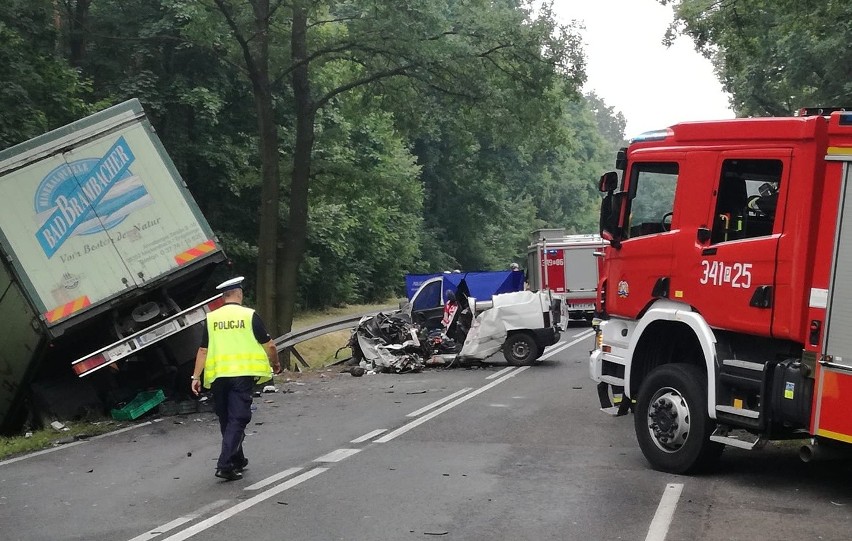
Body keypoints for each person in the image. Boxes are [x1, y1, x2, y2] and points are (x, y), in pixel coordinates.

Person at [191, 276, 281, 481]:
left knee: (227, 418)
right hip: (241, 375)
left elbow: (203, 350)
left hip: (218, 376)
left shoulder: (211, 318)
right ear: (239, 294)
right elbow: (270, 345)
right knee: (239, 417)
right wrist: (275, 363)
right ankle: (225, 465)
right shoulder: (249, 315)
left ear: (224, 297)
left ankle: (237, 459)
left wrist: (195, 376)